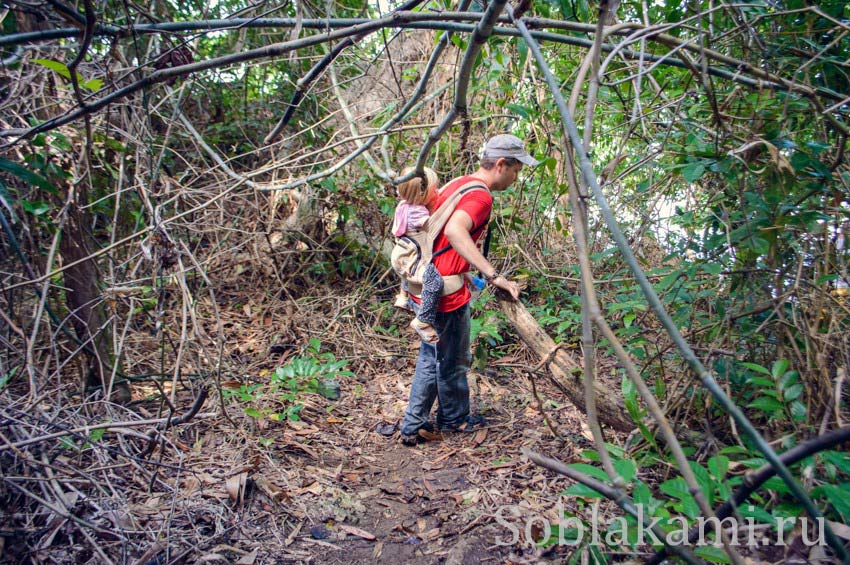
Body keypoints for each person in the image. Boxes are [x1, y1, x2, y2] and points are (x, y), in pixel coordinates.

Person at [400, 134, 538, 445]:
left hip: (426, 282)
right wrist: (494, 276)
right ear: (501, 165)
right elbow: (453, 230)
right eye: (516, 169)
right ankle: (434, 423)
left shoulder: (460, 182)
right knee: (446, 358)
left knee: (436, 354)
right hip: (445, 289)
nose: (517, 176)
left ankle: (443, 418)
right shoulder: (480, 197)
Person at [391, 166, 444, 343]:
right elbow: (432, 225)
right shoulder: (418, 211)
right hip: (417, 257)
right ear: (421, 194)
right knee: (434, 282)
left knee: (405, 272)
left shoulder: (403, 205)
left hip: (402, 255)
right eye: (433, 189)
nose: (437, 191)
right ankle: (423, 319)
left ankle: (403, 297)